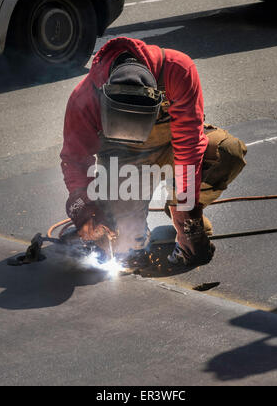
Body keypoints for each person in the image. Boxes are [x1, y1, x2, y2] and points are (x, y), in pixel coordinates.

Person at [61, 37, 247, 267]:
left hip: (173, 149)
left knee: (227, 152)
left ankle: (175, 207)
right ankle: (132, 223)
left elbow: (189, 145)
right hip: (126, 165)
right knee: (127, 246)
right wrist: (84, 211)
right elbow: (75, 161)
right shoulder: (85, 98)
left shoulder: (177, 69)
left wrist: (186, 212)